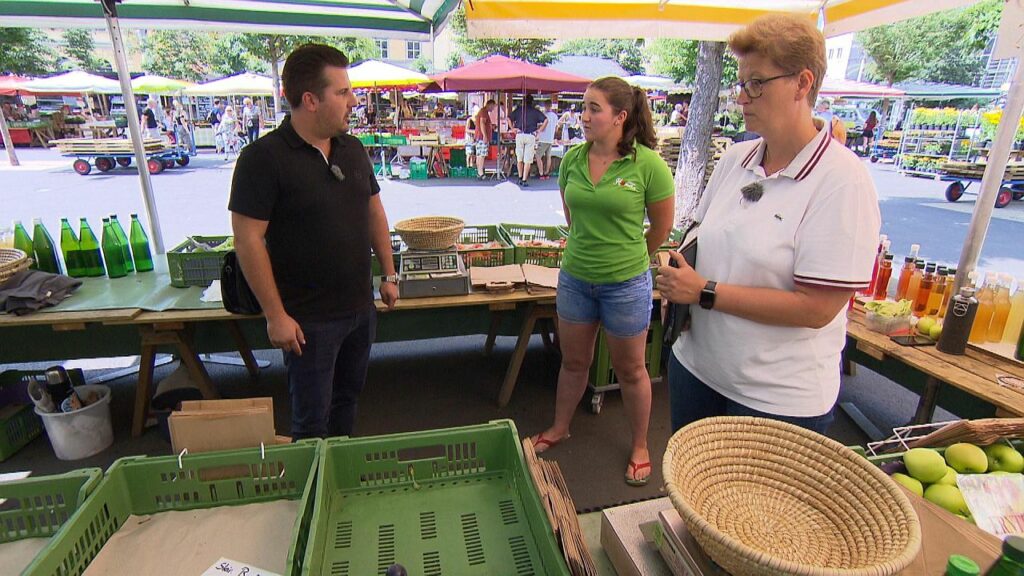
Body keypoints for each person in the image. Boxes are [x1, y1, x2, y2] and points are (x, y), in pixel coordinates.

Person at [654, 14, 881, 437]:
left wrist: (703, 292)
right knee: (689, 496)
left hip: (775, 398)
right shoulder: (735, 158)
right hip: (697, 367)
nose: (742, 97)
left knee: (746, 506)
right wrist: (678, 269)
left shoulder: (842, 180)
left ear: (802, 83)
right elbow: (700, 234)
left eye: (756, 83)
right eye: (740, 83)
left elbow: (817, 308)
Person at [229, 43, 398, 440]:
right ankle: (312, 494)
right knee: (310, 421)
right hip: (308, 322)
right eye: (342, 92)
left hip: (360, 310)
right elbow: (247, 240)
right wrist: (275, 315)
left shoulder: (353, 149)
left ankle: (337, 484)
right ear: (310, 100)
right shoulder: (262, 158)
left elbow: (375, 212)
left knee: (347, 402)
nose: (354, 101)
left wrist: (389, 274)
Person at [531, 77, 675, 487]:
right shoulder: (573, 159)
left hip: (626, 284)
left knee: (631, 370)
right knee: (573, 361)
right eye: (583, 107)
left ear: (620, 116)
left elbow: (661, 230)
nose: (584, 116)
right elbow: (572, 220)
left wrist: (626, 255)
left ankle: (641, 445)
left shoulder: (648, 164)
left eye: (594, 108)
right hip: (576, 278)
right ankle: (560, 427)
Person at [511, 95, 547, 186]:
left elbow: (509, 118)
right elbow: (546, 120)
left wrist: (512, 128)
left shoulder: (519, 110)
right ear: (532, 102)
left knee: (519, 158)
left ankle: (519, 177)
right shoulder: (535, 111)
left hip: (519, 134)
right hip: (531, 135)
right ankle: (524, 179)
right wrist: (539, 130)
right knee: (528, 159)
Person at [535, 101, 559, 181]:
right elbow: (556, 129)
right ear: (551, 106)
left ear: (545, 105)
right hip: (550, 139)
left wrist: (538, 131)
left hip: (543, 138)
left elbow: (541, 126)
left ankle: (541, 173)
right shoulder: (555, 116)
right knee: (548, 157)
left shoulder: (543, 115)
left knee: (538, 156)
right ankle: (546, 173)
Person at [473, 100, 496, 180]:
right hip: (482, 137)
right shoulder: (484, 112)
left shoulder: (482, 112)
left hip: (479, 136)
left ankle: (479, 171)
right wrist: (485, 135)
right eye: (493, 106)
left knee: (479, 154)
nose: (493, 108)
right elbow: (482, 123)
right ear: (489, 105)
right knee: (482, 154)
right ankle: (480, 172)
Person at [464, 105, 479, 171]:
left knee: (474, 153)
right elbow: (466, 129)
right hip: (469, 138)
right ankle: (467, 166)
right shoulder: (469, 120)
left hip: (475, 138)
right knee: (469, 153)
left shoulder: (477, 120)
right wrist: (474, 131)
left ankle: (472, 165)